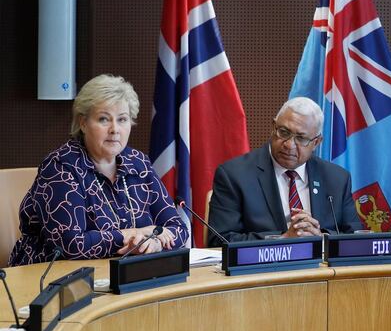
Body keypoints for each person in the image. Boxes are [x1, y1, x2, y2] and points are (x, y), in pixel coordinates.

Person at [10, 75, 188, 266]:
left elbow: (178, 227)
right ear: (83, 123)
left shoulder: (138, 164)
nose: (115, 129)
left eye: (122, 119)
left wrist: (154, 243)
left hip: (124, 272)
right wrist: (131, 234)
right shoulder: (60, 168)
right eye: (104, 119)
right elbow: (70, 244)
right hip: (49, 276)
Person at [207, 97, 361, 245]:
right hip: (265, 271)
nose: (289, 144)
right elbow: (219, 240)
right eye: (284, 132)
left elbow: (355, 237)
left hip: (321, 270)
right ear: (273, 127)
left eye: (300, 138)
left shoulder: (336, 178)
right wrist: (282, 240)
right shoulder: (234, 175)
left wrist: (322, 238)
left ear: (316, 142)